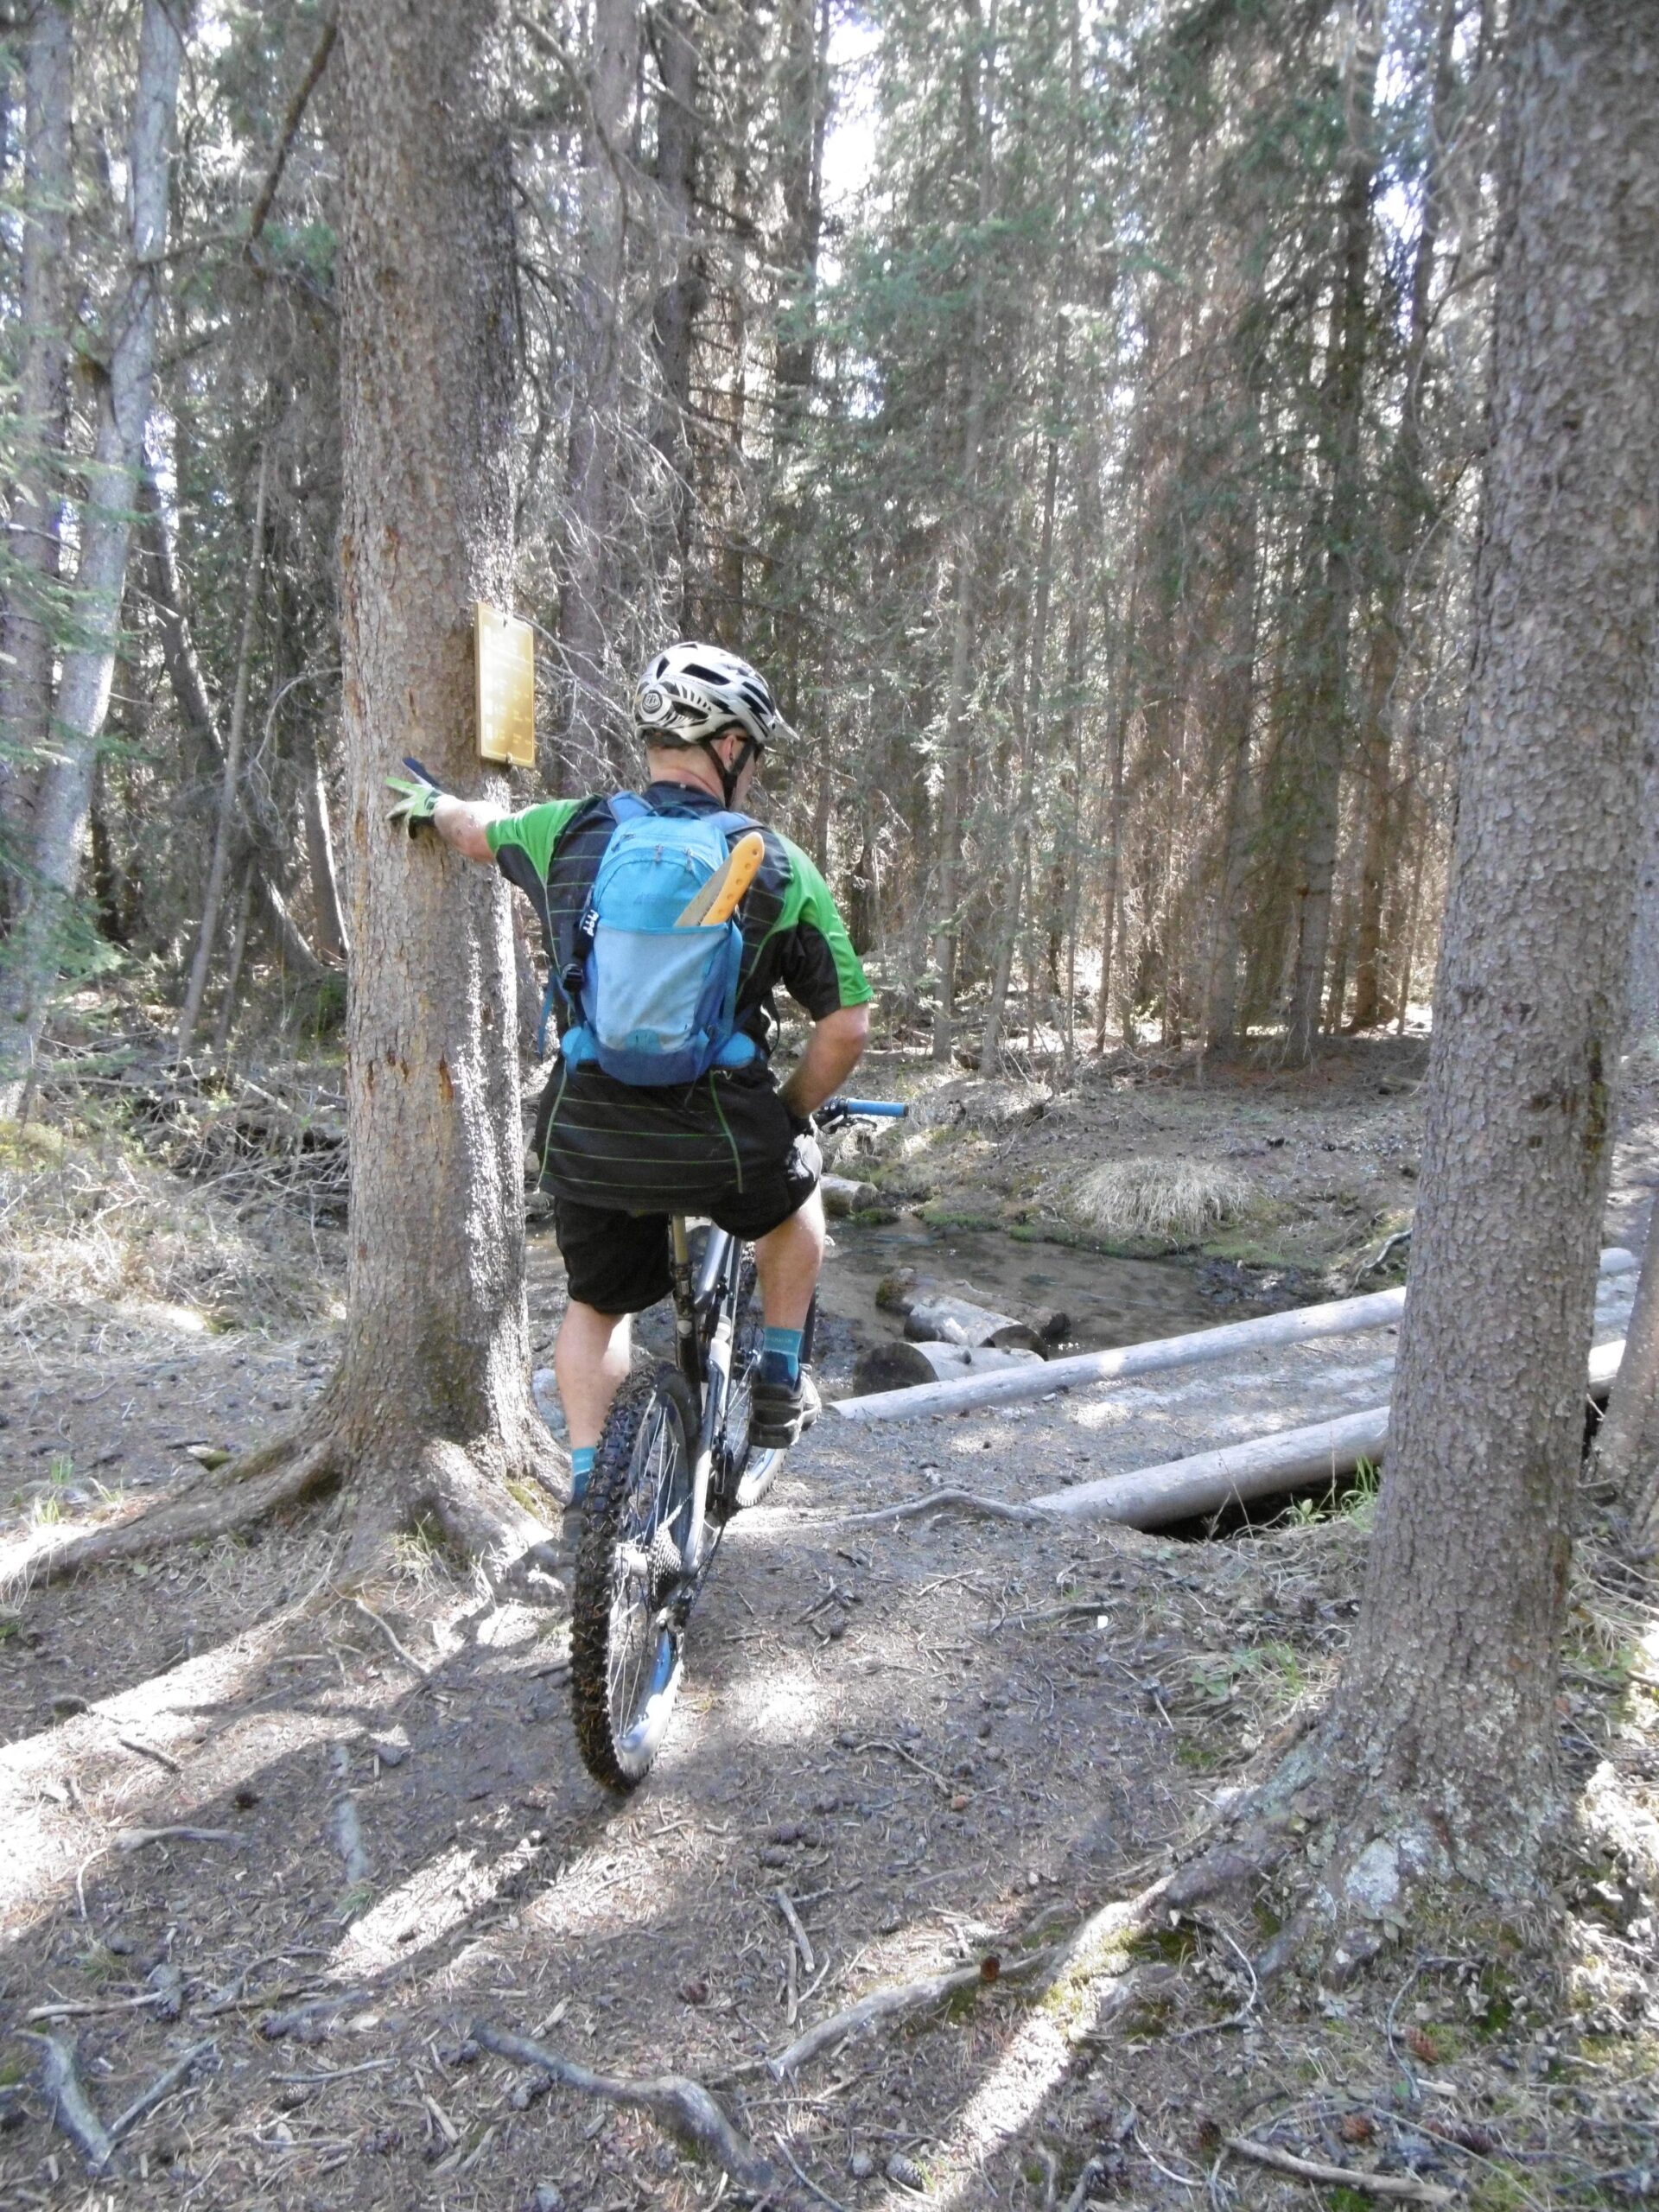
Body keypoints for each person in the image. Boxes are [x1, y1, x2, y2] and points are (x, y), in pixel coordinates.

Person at [387, 641, 871, 1502]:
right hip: (719, 1136)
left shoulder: (565, 830)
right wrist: (792, 1114)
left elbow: (473, 829)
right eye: (752, 755)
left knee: (596, 1308)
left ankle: (590, 1495)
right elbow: (845, 1026)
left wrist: (428, 803)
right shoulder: (780, 864)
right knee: (798, 1202)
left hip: (587, 1132)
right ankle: (780, 1376)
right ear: (730, 749)